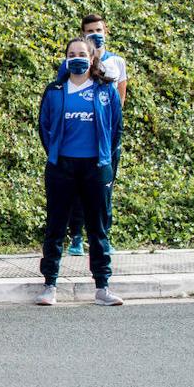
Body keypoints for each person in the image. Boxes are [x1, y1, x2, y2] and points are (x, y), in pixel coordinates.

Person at [36, 36, 123, 306]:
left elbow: (116, 128)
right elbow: (45, 127)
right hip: (62, 167)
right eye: (72, 53)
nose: (77, 58)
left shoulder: (105, 91)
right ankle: (50, 284)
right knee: (56, 226)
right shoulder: (54, 91)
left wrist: (105, 157)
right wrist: (57, 155)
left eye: (82, 53)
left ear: (92, 57)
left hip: (95, 167)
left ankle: (102, 286)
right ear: (65, 58)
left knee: (98, 228)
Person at [55, 14, 128, 256]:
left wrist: (109, 140)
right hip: (75, 146)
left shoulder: (116, 62)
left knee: (104, 192)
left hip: (105, 143)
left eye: (99, 30)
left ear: (105, 31)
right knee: (75, 193)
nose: (95, 34)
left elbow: (119, 104)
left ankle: (103, 237)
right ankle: (76, 236)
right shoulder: (73, 65)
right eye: (90, 31)